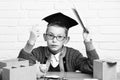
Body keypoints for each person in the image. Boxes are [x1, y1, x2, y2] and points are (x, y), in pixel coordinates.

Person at [18, 12, 99, 74]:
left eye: (60, 37)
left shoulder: (74, 55)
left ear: (66, 40)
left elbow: (94, 67)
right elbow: (21, 66)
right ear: (45, 37)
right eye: (50, 35)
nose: (54, 40)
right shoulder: (37, 53)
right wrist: (30, 42)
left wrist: (88, 42)